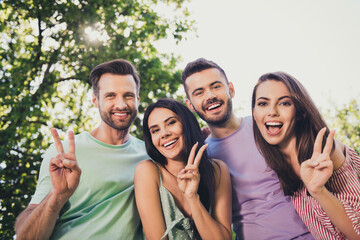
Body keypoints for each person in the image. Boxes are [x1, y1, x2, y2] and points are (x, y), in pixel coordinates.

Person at [15, 59, 149, 239]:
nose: (121, 104)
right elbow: (26, 237)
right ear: (96, 101)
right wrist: (57, 196)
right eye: (110, 96)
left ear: (137, 100)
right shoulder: (63, 154)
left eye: (128, 95)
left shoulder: (150, 155)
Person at [181, 58, 313, 239]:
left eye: (216, 86)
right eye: (199, 92)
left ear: (231, 89)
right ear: (190, 105)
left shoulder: (266, 125)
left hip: (310, 232)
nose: (210, 95)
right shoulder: (201, 157)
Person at [252, 71, 360, 240]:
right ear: (254, 113)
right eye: (263, 103)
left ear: (301, 112)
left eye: (284, 103)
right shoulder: (279, 163)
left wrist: (318, 191)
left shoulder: (326, 151)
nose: (272, 111)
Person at [134, 98, 232, 239]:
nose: (164, 134)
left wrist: (192, 197)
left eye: (171, 123)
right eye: (155, 130)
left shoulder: (217, 170)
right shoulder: (148, 172)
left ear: (187, 124)